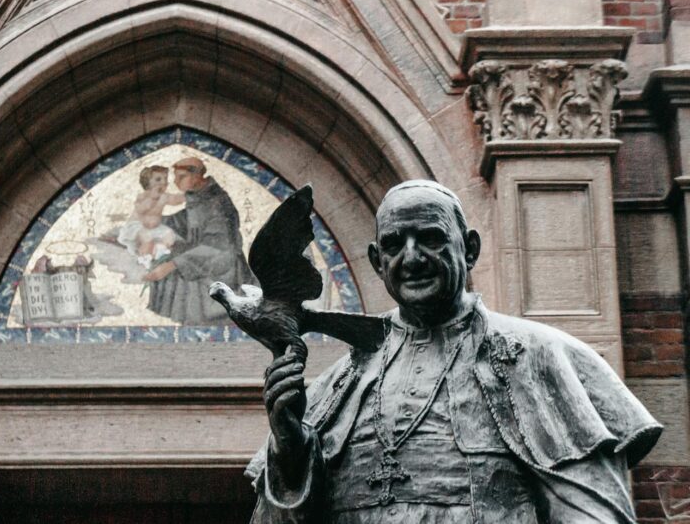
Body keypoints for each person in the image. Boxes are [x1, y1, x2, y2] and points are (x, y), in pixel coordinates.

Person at [247, 180, 662, 523]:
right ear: (376, 260)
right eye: (394, 244)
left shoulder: (541, 357)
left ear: (470, 248)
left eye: (430, 238)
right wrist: (290, 452)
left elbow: (593, 515)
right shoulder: (337, 385)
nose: (411, 258)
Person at [142, 156, 255, 325]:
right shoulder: (199, 196)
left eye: (181, 177)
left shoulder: (217, 202)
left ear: (197, 176)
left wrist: (173, 265)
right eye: (175, 177)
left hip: (220, 267)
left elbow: (217, 247)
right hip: (200, 257)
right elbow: (188, 221)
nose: (176, 182)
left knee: (171, 271)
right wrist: (159, 223)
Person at [117, 165, 185, 269]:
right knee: (147, 238)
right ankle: (145, 257)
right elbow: (141, 209)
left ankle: (160, 250)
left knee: (169, 235)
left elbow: (175, 200)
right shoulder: (144, 196)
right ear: (147, 183)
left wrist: (186, 196)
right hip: (137, 226)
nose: (163, 182)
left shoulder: (164, 196)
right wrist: (153, 199)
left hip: (155, 227)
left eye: (165, 178)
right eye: (158, 179)